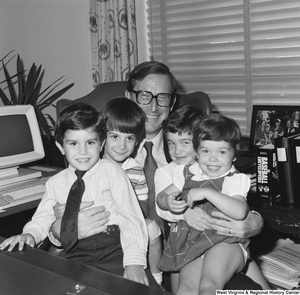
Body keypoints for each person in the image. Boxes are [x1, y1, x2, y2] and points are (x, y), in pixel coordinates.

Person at [50, 60, 264, 290]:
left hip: (198, 243)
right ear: (129, 96)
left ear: (171, 103)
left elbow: (227, 181)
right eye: (144, 95)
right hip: (127, 257)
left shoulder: (188, 142)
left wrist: (253, 221)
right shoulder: (98, 152)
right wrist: (61, 224)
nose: (153, 107)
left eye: (162, 97)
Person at [0, 103, 158, 287]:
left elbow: (131, 217)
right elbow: (44, 216)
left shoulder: (112, 173)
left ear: (101, 144)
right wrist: (29, 234)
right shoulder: (55, 182)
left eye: (90, 142)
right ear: (60, 146)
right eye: (73, 143)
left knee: (135, 289)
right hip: (76, 251)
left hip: (115, 248)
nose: (82, 151)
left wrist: (134, 262)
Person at [155, 107, 270, 293]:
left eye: (185, 142)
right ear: (199, 149)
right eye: (206, 150)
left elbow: (241, 211)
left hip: (223, 242)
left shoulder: (234, 178)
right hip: (192, 242)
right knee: (185, 289)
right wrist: (169, 202)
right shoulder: (183, 173)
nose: (177, 151)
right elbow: (161, 200)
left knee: (209, 285)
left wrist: (206, 193)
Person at [98, 97, 164, 287]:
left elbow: (143, 204)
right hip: (102, 224)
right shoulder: (95, 166)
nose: (122, 145)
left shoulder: (134, 169)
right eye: (115, 137)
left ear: (137, 141)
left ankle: (157, 278)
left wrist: (129, 205)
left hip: (129, 220)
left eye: (129, 139)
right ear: (103, 136)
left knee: (152, 229)